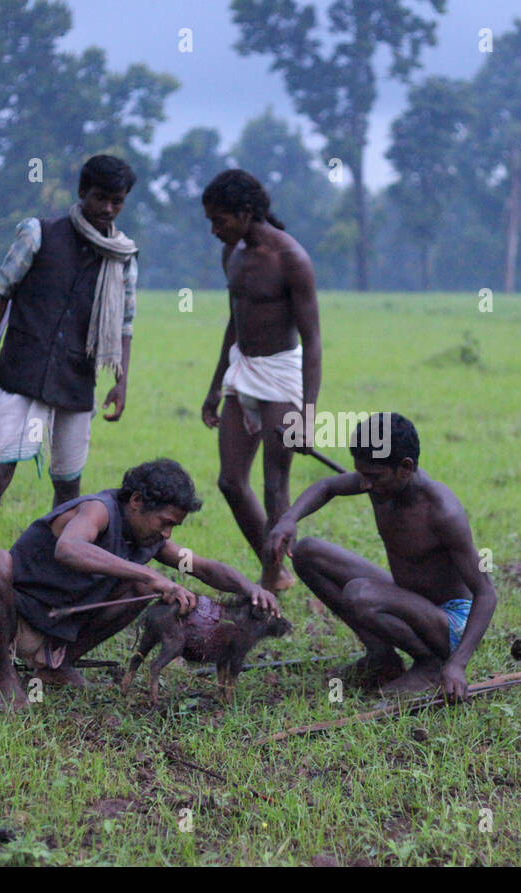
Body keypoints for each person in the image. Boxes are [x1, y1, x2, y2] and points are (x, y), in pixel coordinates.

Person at [0, 155, 140, 625]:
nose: (108, 209)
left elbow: (126, 323)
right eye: (100, 198)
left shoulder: (124, 257)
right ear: (82, 193)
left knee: (68, 489)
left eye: (117, 201)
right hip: (21, 374)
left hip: (77, 381)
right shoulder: (38, 233)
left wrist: (121, 382)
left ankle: (49, 585)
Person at [0, 457, 279, 713]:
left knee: (142, 590)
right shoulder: (98, 511)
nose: (168, 534)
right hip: (7, 622)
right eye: (165, 522)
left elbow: (200, 566)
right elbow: (69, 548)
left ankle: (57, 664)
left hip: (54, 626)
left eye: (174, 526)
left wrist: (248, 588)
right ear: (137, 501)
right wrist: (149, 574)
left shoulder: (152, 540)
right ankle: (3, 675)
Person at [264, 413, 497, 701]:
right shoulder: (378, 484)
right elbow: (327, 487)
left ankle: (432, 665)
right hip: (409, 598)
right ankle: (381, 656)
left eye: (373, 477)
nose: (364, 485)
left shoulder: (442, 512)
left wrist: (458, 664)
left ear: (405, 467)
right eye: (361, 474)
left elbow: (486, 593)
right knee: (307, 552)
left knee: (360, 594)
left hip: (448, 622)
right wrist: (289, 519)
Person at [200, 169, 320, 594]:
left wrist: (307, 416)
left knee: (275, 486)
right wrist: (216, 386)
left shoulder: (292, 259)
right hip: (243, 369)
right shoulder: (231, 254)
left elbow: (313, 341)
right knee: (230, 481)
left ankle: (272, 580)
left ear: (247, 213)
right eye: (210, 221)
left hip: (282, 374)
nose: (214, 230)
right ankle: (274, 567)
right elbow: (235, 322)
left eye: (220, 220)